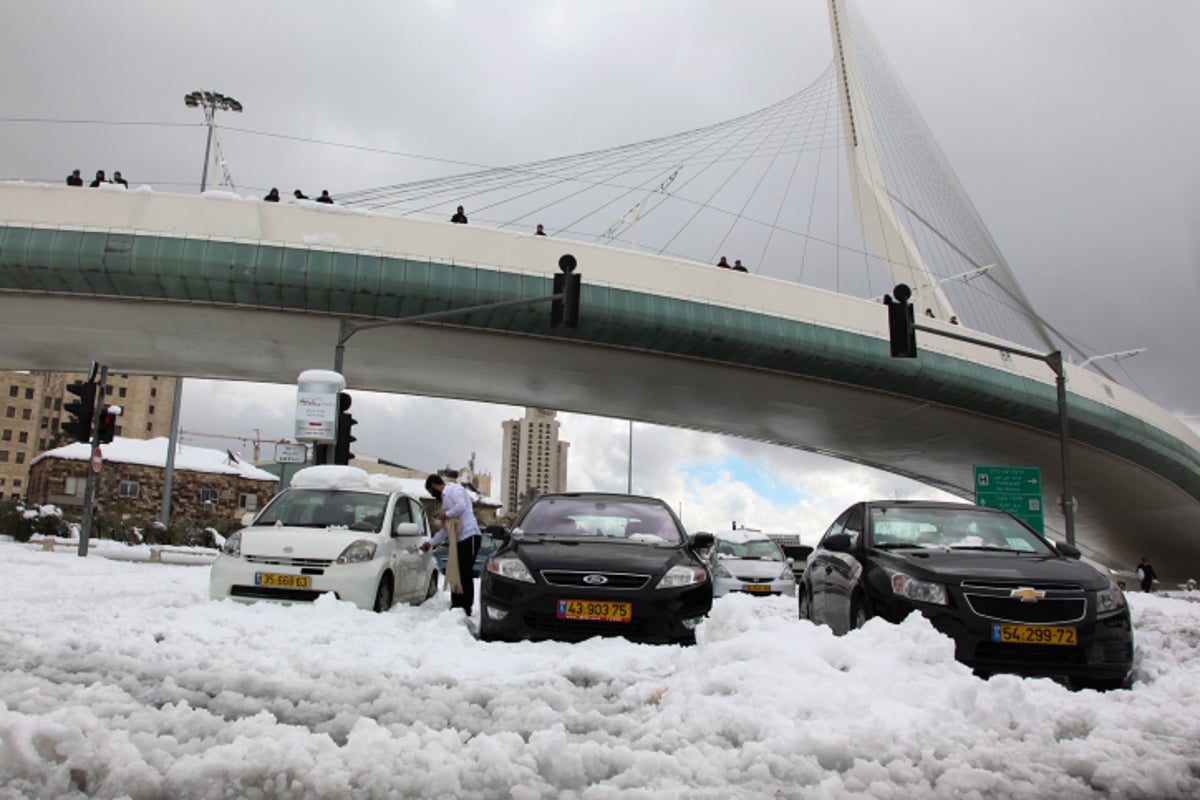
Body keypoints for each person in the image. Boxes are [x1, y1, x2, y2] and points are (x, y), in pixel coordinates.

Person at [420, 474, 482, 614]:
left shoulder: (455, 490)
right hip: (458, 540)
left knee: (465, 572)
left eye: (431, 491)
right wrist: (431, 543)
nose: (432, 495)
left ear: (435, 485)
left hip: (470, 536)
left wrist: (446, 515)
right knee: (455, 571)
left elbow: (461, 506)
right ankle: (456, 605)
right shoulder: (445, 502)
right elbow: (445, 529)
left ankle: (466, 606)